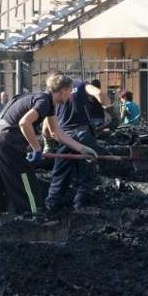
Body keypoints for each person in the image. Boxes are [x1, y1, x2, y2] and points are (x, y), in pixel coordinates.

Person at [0, 71, 98, 216]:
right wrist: (37, 149)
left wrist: (83, 149)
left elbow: (57, 133)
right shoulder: (44, 102)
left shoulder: (46, 102)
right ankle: (34, 216)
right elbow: (24, 122)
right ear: (63, 90)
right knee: (26, 180)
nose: (71, 96)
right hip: (8, 139)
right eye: (70, 92)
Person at [44, 80, 100, 214]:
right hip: (84, 135)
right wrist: (110, 109)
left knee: (59, 174)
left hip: (64, 136)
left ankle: (51, 207)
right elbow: (99, 93)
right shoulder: (82, 85)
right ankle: (81, 208)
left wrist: (48, 143)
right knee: (86, 176)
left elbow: (47, 124)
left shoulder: (53, 96)